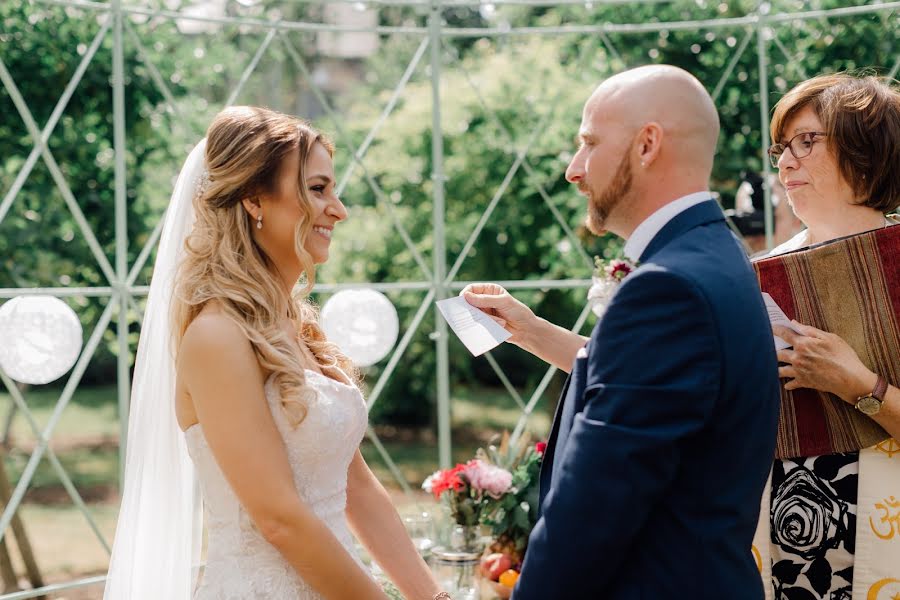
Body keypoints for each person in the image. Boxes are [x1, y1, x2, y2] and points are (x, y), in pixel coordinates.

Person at [462, 65, 781, 598]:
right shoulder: (718, 255)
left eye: (588, 143)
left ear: (647, 144)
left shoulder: (668, 286)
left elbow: (594, 506)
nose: (573, 169)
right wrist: (532, 331)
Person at [103, 107, 446, 600]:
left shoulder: (299, 328)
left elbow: (357, 488)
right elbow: (278, 519)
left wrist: (433, 597)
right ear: (254, 199)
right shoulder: (217, 336)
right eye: (318, 189)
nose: (339, 209)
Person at [757, 73, 900, 599]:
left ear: (868, 151)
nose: (785, 161)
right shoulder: (758, 275)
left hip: (885, 539)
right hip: (780, 542)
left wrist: (859, 383)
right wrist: (532, 331)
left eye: (807, 141)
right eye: (781, 147)